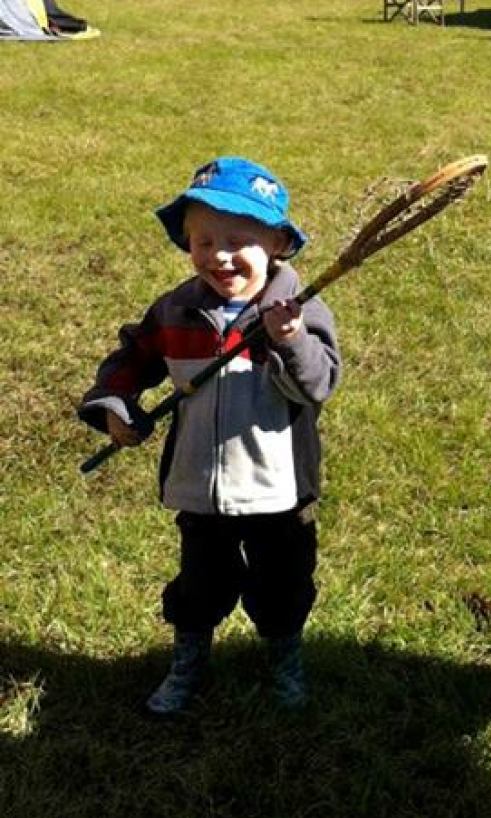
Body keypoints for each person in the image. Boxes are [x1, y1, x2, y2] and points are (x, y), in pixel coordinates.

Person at [78, 157, 341, 715]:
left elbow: (319, 384)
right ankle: (189, 663)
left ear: (278, 244)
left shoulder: (299, 311)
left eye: (238, 241)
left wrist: (290, 338)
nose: (219, 256)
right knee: (199, 588)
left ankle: (284, 661)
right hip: (201, 488)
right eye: (203, 240)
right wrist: (115, 406)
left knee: (283, 588)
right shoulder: (176, 311)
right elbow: (132, 359)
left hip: (279, 492)